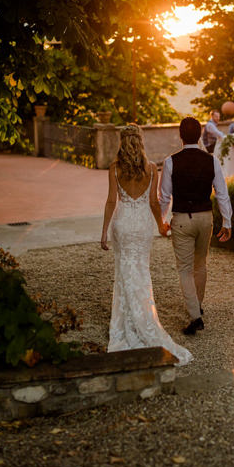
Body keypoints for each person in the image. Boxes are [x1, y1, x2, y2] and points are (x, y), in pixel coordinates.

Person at [100, 125, 191, 365]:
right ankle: (142, 321)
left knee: (123, 271)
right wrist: (161, 224)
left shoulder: (115, 168)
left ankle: (124, 323)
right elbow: (153, 202)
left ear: (122, 142)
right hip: (141, 225)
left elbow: (111, 201)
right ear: (140, 141)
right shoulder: (151, 168)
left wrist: (103, 232)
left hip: (122, 223)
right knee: (140, 269)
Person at [159, 118, 232, 335]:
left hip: (182, 219)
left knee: (184, 269)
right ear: (199, 136)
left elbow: (164, 197)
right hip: (205, 218)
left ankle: (195, 316)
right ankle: (197, 305)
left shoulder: (170, 161)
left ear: (180, 136)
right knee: (200, 264)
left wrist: (162, 220)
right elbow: (222, 193)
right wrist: (227, 222)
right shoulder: (211, 160)